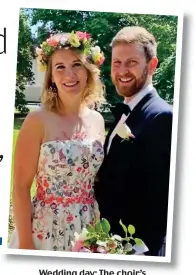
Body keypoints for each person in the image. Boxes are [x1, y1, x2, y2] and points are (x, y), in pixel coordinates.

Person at [8, 31, 106, 251]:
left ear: (88, 70)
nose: (69, 74)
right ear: (51, 76)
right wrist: (26, 245)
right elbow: (21, 188)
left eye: (76, 65)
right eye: (60, 67)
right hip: (46, 229)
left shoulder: (98, 121)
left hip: (88, 227)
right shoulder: (37, 120)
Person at [95, 26, 173, 256]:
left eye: (131, 62)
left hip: (137, 250)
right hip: (110, 242)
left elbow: (162, 200)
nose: (122, 70)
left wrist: (134, 253)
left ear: (152, 65)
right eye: (116, 62)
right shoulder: (126, 111)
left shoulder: (161, 116)